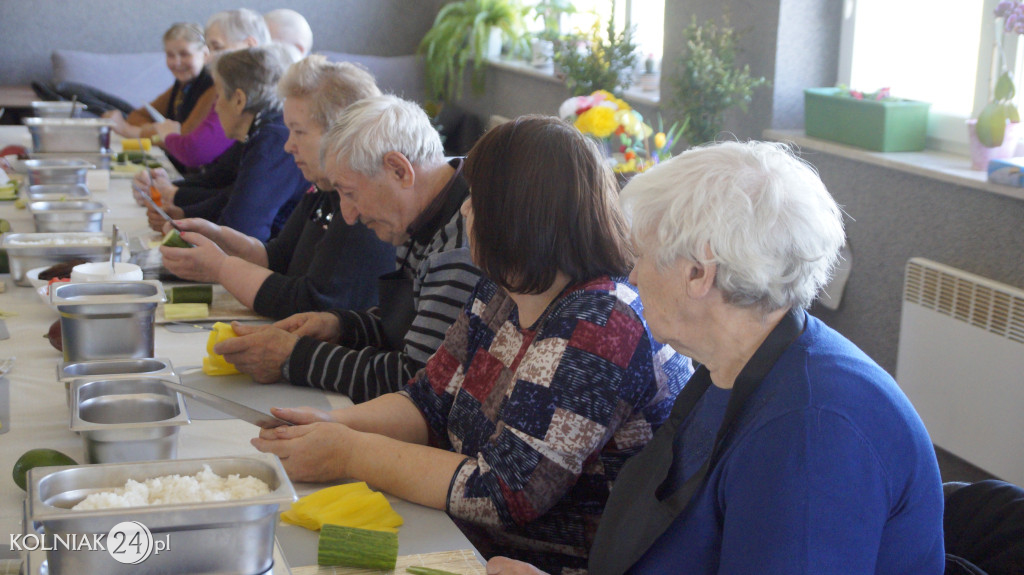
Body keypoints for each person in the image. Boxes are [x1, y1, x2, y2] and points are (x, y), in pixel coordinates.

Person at [250, 116, 693, 573]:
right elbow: (426, 402)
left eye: (476, 199)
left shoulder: (600, 323)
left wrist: (348, 450)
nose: (464, 211)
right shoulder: (505, 288)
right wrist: (331, 424)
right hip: (467, 540)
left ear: (514, 213)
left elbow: (503, 491)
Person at [488, 140, 946, 575]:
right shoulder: (731, 368)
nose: (632, 272)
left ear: (697, 273)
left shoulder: (815, 429)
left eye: (642, 255)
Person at [210, 95, 480, 402]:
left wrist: (294, 358)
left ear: (399, 170)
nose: (348, 215)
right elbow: (410, 328)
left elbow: (416, 381)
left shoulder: (459, 247)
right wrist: (341, 326)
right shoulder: (426, 210)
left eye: (349, 193)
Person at [158, 55, 395, 319]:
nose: (288, 145)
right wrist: (218, 236)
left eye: (299, 132)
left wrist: (220, 267)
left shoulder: (362, 204)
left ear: (341, 133)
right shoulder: (324, 190)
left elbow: (312, 303)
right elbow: (279, 257)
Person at [140, 45, 307, 242]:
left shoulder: (272, 141)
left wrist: (187, 219)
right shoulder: (260, 128)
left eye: (218, 95)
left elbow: (241, 228)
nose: (216, 107)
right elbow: (226, 188)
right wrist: (183, 211)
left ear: (239, 100)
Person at [152, 8, 271, 170]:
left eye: (216, 47)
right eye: (208, 48)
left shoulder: (247, 95)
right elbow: (221, 177)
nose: (208, 58)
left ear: (249, 45)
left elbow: (196, 151)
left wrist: (169, 136)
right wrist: (176, 193)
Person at [101, 23, 215, 150]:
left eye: (184, 54)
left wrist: (130, 131)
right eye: (170, 55)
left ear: (205, 54)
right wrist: (156, 131)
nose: (176, 63)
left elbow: (183, 138)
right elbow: (136, 116)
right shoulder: (183, 85)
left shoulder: (212, 87)